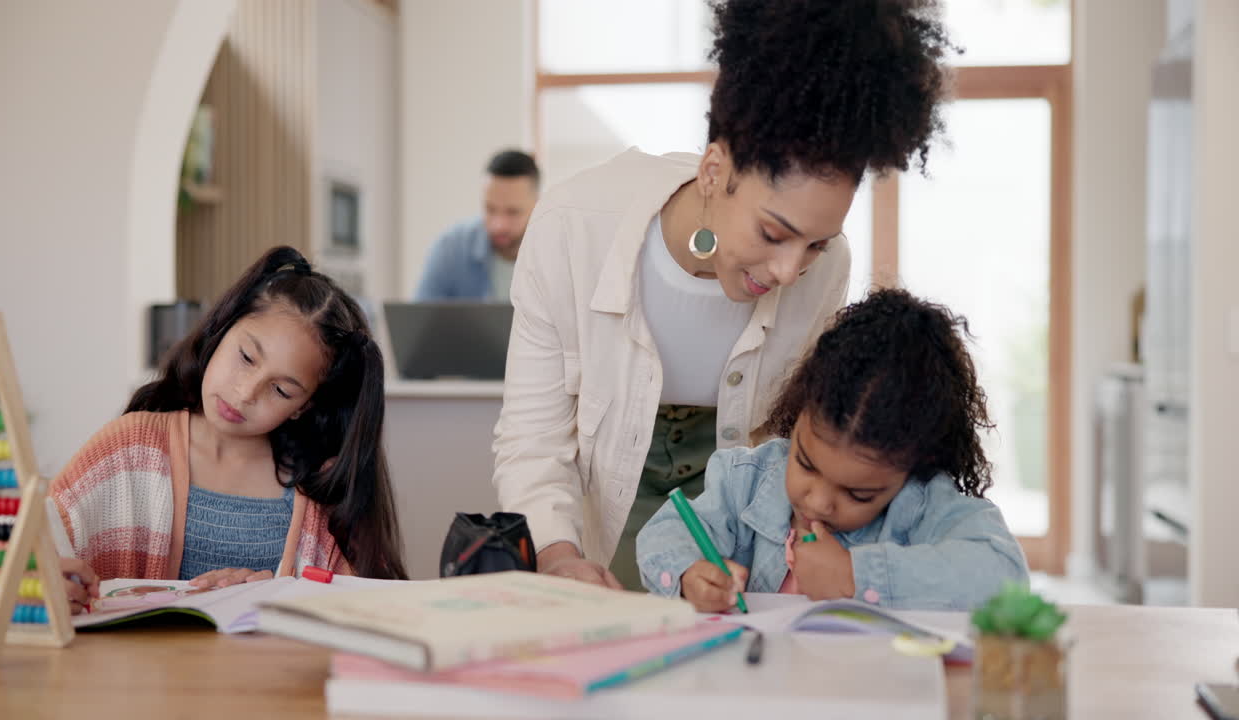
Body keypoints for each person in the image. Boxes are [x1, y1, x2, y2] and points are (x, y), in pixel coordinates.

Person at [493, 0, 957, 590]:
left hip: (735, 536)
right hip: (602, 519)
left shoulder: (825, 267)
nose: (792, 270)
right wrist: (559, 556)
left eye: (816, 243)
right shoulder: (572, 226)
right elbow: (532, 437)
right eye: (774, 233)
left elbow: (791, 441)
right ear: (714, 170)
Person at [52, 246, 407, 614]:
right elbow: (14, 559)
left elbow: (369, 612)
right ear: (222, 329)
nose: (245, 392)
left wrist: (275, 599)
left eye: (281, 390)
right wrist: (41, 585)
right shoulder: (127, 449)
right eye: (246, 357)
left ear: (304, 406)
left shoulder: (322, 488)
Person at [637, 289, 1029, 611]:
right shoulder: (746, 480)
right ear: (799, 409)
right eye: (806, 464)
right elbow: (663, 534)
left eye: (858, 493)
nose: (820, 502)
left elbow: (1003, 576)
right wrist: (689, 574)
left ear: (912, 467)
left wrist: (856, 576)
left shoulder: (920, 504)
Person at [413, 149, 540, 301]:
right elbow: (421, 320)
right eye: (490, 209)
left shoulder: (559, 253)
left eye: (512, 212)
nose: (498, 225)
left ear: (538, 206)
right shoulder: (451, 248)